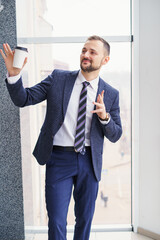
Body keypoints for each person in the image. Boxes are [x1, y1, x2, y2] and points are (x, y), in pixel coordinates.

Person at [0, 35, 122, 240]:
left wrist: (105, 117)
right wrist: (14, 76)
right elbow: (24, 98)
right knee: (56, 220)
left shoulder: (110, 94)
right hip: (58, 159)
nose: (86, 55)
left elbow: (116, 134)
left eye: (93, 52)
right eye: (84, 50)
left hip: (89, 161)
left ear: (105, 60)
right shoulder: (58, 79)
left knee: (84, 219)